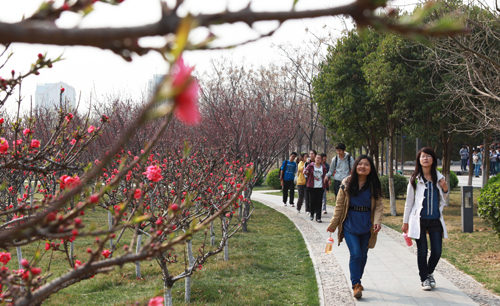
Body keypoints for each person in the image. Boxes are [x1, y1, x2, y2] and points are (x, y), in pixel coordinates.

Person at [326, 155, 383, 299]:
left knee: (363, 256)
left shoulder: (374, 185)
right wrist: (333, 224)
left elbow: (378, 206)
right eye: (360, 164)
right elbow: (339, 206)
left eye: (366, 165)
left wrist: (377, 221)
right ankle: (356, 284)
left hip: (366, 225)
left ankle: (357, 279)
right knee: (356, 254)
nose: (362, 167)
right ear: (355, 166)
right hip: (350, 224)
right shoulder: (346, 183)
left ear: (371, 169)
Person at [402, 147, 449, 291]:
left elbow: (444, 199)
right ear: (419, 160)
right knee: (422, 251)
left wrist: (445, 188)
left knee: (437, 251)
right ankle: (424, 279)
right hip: (419, 220)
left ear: (433, 160)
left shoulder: (439, 178)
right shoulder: (414, 179)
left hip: (435, 219)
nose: (426, 158)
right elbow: (409, 201)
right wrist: (405, 222)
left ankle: (428, 273)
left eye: (428, 156)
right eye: (423, 156)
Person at [303, 155, 327, 223]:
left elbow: (325, 176)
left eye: (319, 158)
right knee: (312, 201)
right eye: (317, 158)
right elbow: (304, 170)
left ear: (321, 160)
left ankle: (318, 217)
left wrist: (326, 185)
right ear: (315, 159)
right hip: (311, 186)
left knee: (319, 202)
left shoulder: (323, 167)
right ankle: (312, 214)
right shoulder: (311, 165)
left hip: (320, 187)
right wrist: (306, 172)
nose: (318, 159)